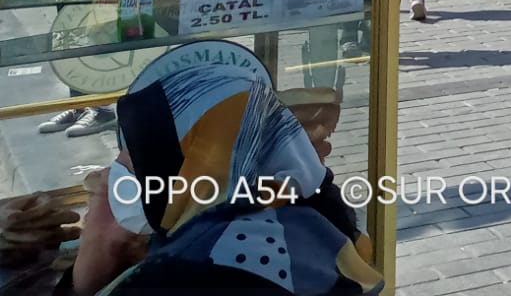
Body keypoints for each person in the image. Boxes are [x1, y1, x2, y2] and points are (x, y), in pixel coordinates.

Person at [70, 54, 383, 294]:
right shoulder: (313, 213)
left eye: (139, 160)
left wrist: (101, 234)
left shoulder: (190, 270)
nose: (115, 173)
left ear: (201, 161)